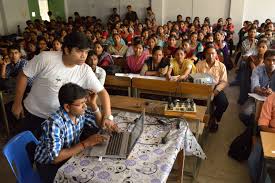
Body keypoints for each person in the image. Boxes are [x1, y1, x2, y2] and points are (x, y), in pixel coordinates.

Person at [12, 32, 114, 138]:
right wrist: (17, 103)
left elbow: (102, 93)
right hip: (34, 114)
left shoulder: (85, 70)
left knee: (55, 150)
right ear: (66, 49)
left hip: (61, 121)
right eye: (79, 51)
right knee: (30, 149)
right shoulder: (46, 58)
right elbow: (23, 75)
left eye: (86, 52)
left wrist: (107, 116)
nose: (84, 56)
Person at [34, 83, 118, 183]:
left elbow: (100, 125)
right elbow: (55, 158)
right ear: (67, 107)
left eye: (85, 102)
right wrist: (85, 143)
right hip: (49, 165)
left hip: (69, 154)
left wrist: (93, 105)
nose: (85, 106)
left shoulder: (78, 113)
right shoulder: (54, 124)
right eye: (81, 104)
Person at [196, 44, 228, 132]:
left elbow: (223, 82)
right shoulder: (199, 65)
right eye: (208, 54)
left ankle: (215, 118)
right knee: (196, 101)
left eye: (213, 53)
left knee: (223, 103)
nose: (210, 56)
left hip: (216, 89)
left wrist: (215, 92)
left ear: (216, 54)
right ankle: (199, 119)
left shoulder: (221, 66)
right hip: (202, 88)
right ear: (204, 54)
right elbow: (196, 79)